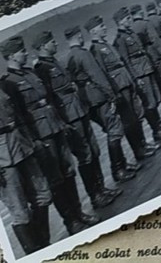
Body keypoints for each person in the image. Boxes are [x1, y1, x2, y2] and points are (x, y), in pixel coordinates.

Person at [0, 36, 98, 235]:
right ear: (11, 56)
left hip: (55, 126)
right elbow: (19, 116)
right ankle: (71, 221)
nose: (26, 53)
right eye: (21, 51)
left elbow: (49, 99)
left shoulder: (30, 73)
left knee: (68, 171)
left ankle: (79, 212)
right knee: (55, 179)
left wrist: (61, 122)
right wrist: (33, 140)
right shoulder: (9, 83)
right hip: (40, 134)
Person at [34, 31, 121, 212]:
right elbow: (50, 98)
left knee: (94, 150)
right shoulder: (42, 68)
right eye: (51, 42)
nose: (56, 44)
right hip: (69, 115)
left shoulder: (54, 62)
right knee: (84, 155)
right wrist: (61, 120)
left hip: (79, 109)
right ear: (42, 46)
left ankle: (101, 188)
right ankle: (95, 195)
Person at [66, 21, 137, 184]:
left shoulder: (70, 56)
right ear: (79, 36)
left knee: (111, 130)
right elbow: (98, 77)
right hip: (98, 97)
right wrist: (112, 96)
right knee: (115, 130)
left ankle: (121, 165)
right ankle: (118, 169)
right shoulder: (83, 54)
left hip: (87, 100)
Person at [88, 14, 159, 171]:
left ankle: (142, 144)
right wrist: (113, 93)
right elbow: (102, 73)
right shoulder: (96, 50)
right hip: (119, 86)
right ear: (93, 31)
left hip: (126, 82)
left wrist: (132, 80)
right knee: (128, 121)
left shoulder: (105, 44)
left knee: (135, 116)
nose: (104, 28)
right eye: (101, 26)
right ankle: (138, 150)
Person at [0, 83, 52, 254]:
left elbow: (17, 115)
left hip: (22, 146)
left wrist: (31, 140)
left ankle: (44, 244)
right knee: (20, 212)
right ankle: (35, 253)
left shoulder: (2, 87)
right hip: (3, 160)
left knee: (43, 195)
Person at [112, 7, 161, 145]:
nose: (130, 20)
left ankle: (160, 125)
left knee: (155, 98)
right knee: (149, 102)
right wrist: (135, 78)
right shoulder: (120, 39)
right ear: (120, 22)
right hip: (139, 73)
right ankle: (156, 130)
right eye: (127, 18)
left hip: (146, 68)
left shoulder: (131, 33)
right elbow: (126, 60)